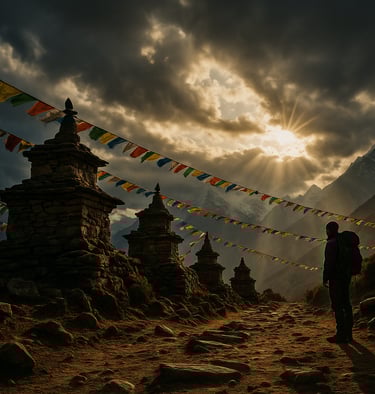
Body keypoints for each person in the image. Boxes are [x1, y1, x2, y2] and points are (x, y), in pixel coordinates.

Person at [323, 221, 353, 344]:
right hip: (346, 276)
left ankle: (340, 335)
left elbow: (329, 263)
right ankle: (349, 334)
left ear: (329, 230)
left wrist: (325, 277)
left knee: (337, 305)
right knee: (346, 303)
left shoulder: (331, 243)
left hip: (335, 278)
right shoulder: (343, 242)